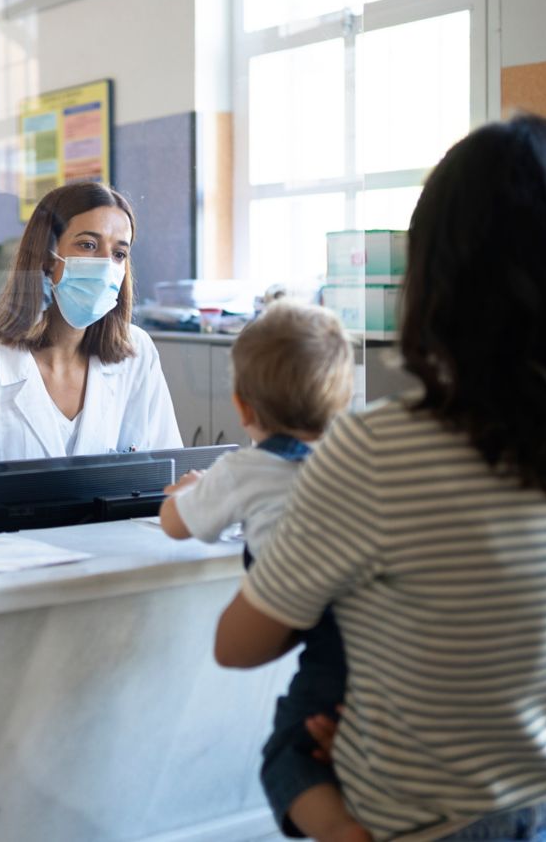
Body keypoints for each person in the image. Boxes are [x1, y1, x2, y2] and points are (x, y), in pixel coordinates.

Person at [214, 114, 546, 842]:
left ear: (431, 279)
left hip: (443, 822)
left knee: (290, 754)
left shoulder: (381, 449)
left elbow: (241, 645)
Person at [159, 300, 360, 841]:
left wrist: (182, 496)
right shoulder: (354, 460)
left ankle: (341, 830)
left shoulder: (242, 469)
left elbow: (178, 526)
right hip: (376, 634)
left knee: (289, 752)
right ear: (342, 397)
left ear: (241, 405)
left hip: (322, 643)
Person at [0, 181, 182, 481]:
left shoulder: (136, 351)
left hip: (113, 530)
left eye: (118, 254)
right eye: (88, 245)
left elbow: (167, 471)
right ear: (47, 259)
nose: (106, 265)